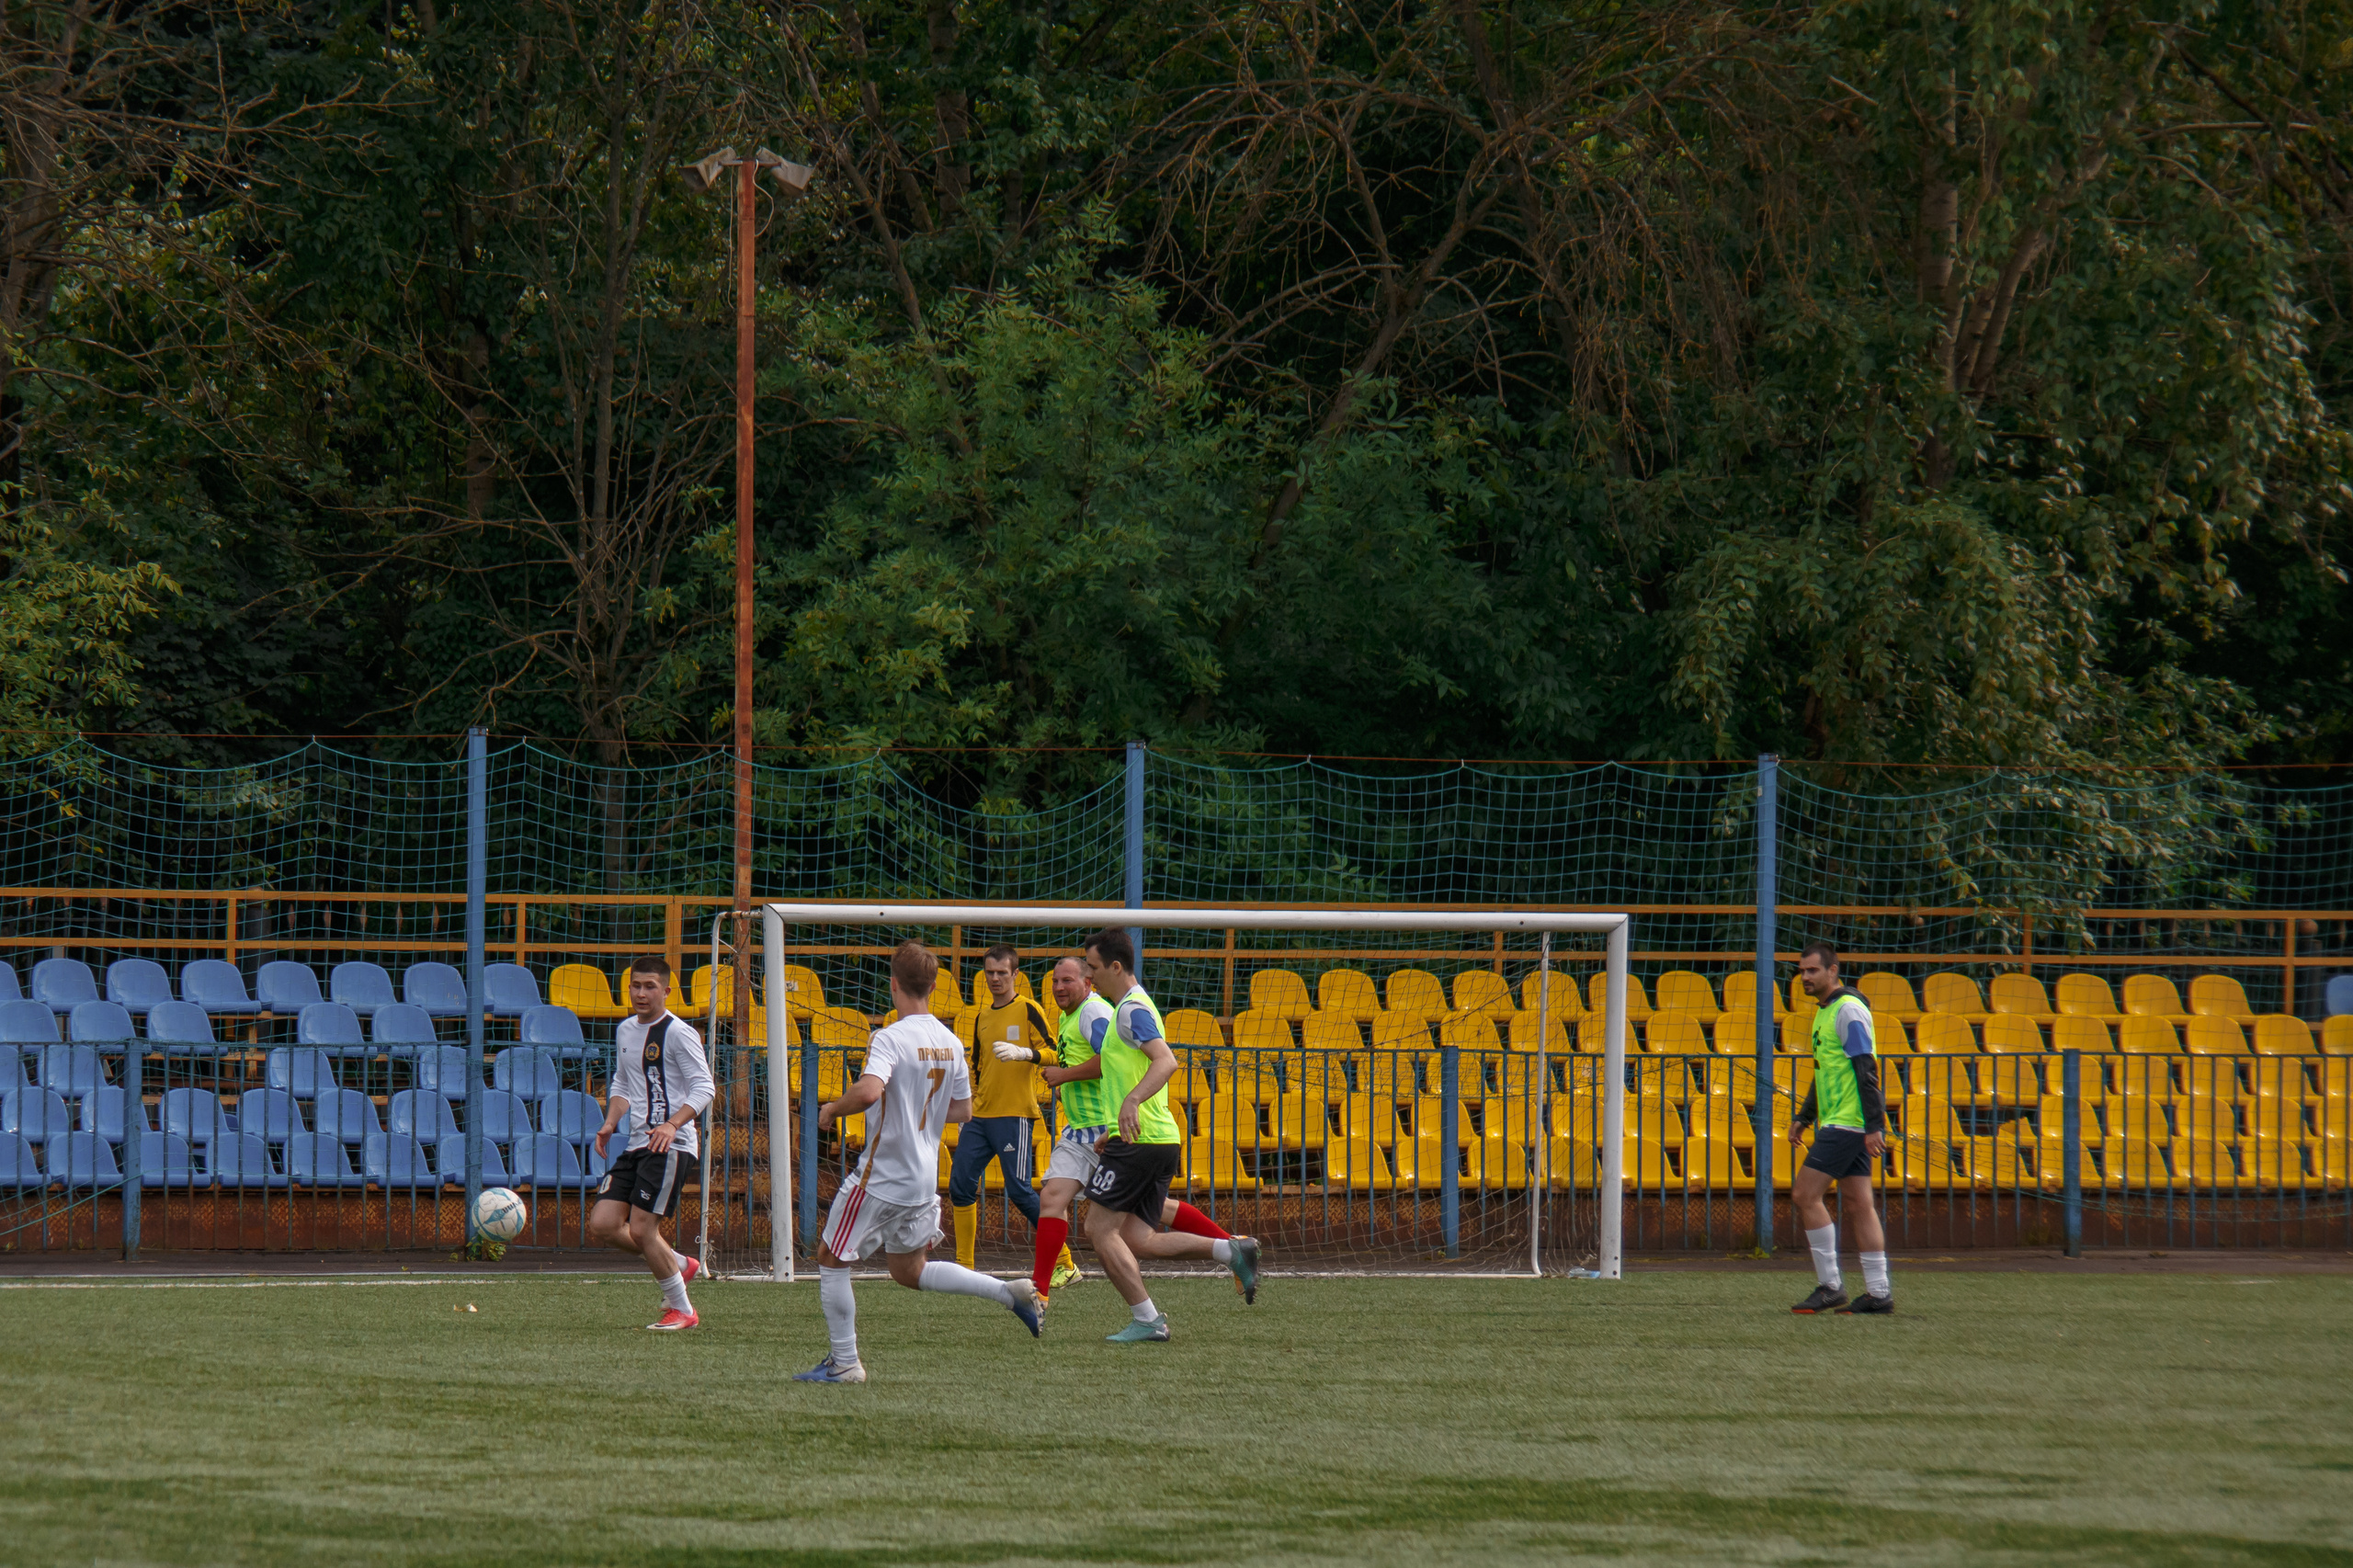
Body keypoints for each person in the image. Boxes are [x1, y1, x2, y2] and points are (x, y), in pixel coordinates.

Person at [794, 939, 1042, 1384]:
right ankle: (1008, 1293)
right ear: (932, 986)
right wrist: (916, 1109)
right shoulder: (950, 1040)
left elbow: (870, 1091)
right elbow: (964, 1110)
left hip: (882, 1174)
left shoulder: (889, 1037)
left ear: (893, 984)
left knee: (831, 1257)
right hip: (924, 1177)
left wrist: (832, 1109)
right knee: (909, 1272)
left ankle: (845, 1362)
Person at [996, 954, 1259, 1310]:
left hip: (1104, 1127)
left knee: (1130, 1223)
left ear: (1088, 981)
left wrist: (1066, 1075)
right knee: (1054, 1199)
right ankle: (1040, 1289)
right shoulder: (1070, 1015)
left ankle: (1228, 1248)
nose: (1059, 987)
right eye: (1055, 981)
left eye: (1068, 980)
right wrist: (1035, 1057)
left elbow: (1109, 1060)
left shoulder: (1094, 1013)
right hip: (1083, 1129)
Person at [1072, 927, 1261, 1343]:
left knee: (1098, 1230)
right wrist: (1112, 1127)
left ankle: (1149, 1320)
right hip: (1153, 1139)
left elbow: (1166, 1061)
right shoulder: (1131, 1006)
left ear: (1116, 967)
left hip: (1141, 1141)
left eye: (1094, 968)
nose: (1089, 976)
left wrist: (1131, 1102)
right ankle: (1230, 1250)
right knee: (1139, 1238)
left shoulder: (1129, 1010)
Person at [590, 956, 714, 1331]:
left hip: (670, 1146)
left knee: (644, 1230)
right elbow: (623, 1083)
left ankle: (683, 1310)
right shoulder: (626, 1030)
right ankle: (678, 1263)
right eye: (635, 986)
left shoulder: (679, 1033)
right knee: (605, 1224)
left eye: (650, 987)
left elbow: (705, 1087)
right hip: (635, 1143)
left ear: (666, 991)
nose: (641, 994)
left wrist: (672, 1125)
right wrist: (611, 1121)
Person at [949, 945, 1075, 1285]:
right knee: (959, 1185)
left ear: (1015, 975)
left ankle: (1066, 1262)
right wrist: (970, 1104)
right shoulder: (981, 1016)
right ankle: (965, 1267)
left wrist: (1026, 1054)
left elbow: (1058, 1054)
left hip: (1015, 1115)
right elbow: (975, 1066)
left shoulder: (1029, 1009)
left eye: (1002, 973)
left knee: (1019, 1190)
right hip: (979, 1117)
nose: (995, 979)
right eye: (989, 973)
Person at [1787, 940, 1893, 1314]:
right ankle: (1879, 1293)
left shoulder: (1848, 1010)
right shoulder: (1826, 1011)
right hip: (1842, 1121)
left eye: (1812, 970)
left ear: (1833, 970)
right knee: (1859, 1204)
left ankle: (1831, 1285)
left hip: (1849, 1123)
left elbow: (1867, 1068)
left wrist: (1874, 1125)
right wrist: (1805, 1116)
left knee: (1804, 1195)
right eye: (1802, 971)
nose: (1805, 977)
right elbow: (1827, 1070)